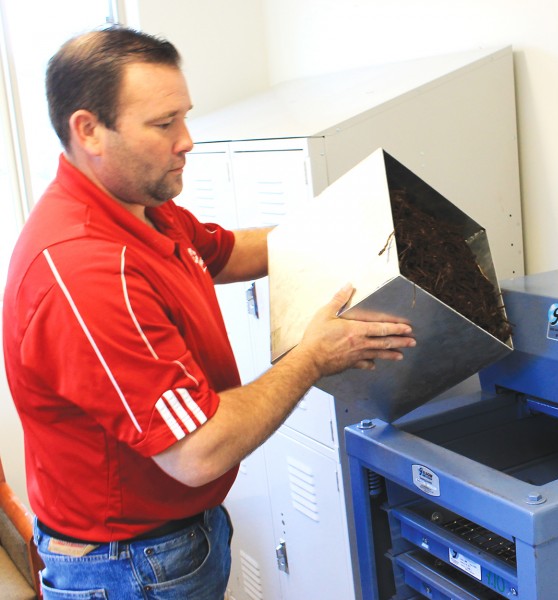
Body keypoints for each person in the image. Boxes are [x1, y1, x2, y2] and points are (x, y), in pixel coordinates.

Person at [2, 25, 416, 599]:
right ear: (89, 130)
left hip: (175, 538)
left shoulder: (142, 206)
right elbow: (199, 452)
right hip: (128, 566)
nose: (187, 140)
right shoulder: (85, 272)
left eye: (184, 116)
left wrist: (352, 231)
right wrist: (314, 356)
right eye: (163, 123)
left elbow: (229, 250)